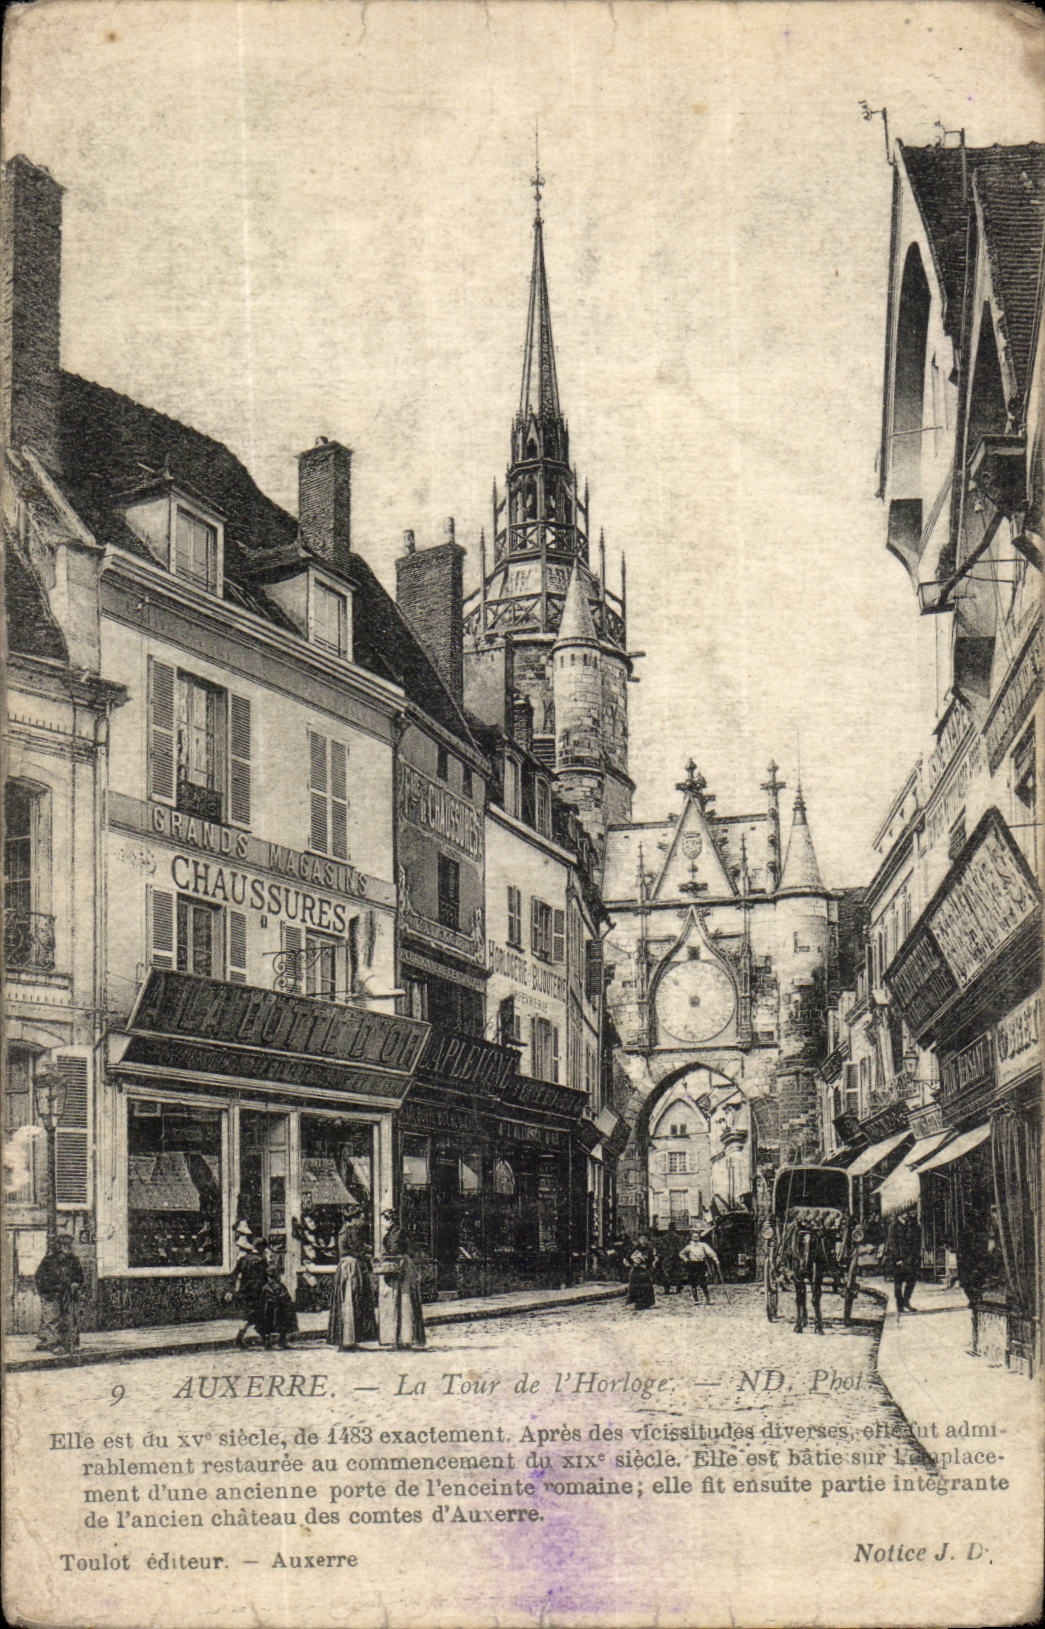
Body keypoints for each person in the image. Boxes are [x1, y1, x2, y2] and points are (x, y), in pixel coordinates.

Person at [375, 1210, 426, 1349]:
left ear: (390, 1220)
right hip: (399, 1265)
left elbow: (394, 1249)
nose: (383, 1224)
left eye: (384, 1220)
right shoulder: (394, 1231)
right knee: (399, 1302)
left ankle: (405, 1338)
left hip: (401, 1266)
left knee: (404, 1301)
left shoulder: (396, 1232)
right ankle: (400, 1337)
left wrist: (383, 1257)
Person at [328, 1210, 378, 1350]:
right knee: (354, 1300)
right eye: (361, 1218)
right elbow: (358, 1251)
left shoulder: (343, 1230)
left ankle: (346, 1340)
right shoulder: (352, 1230)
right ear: (354, 1219)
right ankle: (350, 1340)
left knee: (345, 1302)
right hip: (352, 1268)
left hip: (343, 1267)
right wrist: (369, 1259)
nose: (363, 1222)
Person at [34, 1234, 85, 1355]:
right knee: (53, 1319)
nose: (68, 1247)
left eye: (69, 1245)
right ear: (60, 1245)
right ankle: (54, 1344)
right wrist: (49, 1291)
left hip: (69, 1294)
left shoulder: (73, 1260)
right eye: (65, 1245)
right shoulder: (50, 1260)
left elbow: (80, 1276)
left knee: (70, 1319)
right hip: (52, 1294)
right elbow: (41, 1278)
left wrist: (76, 1283)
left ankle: (68, 1343)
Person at [225, 1235, 269, 1348]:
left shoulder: (243, 1259)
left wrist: (230, 1290)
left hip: (245, 1292)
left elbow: (234, 1275)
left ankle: (262, 1340)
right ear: (262, 1248)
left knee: (254, 1316)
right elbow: (264, 1278)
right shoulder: (261, 1261)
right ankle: (260, 1340)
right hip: (257, 1292)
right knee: (258, 1315)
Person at [884, 1208, 920, 1318]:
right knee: (898, 1282)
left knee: (911, 1280)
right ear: (899, 1214)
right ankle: (899, 1305)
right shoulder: (893, 1226)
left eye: (907, 1213)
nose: (907, 1215)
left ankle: (906, 1301)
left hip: (910, 1258)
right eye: (904, 1213)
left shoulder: (910, 1224)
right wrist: (897, 1258)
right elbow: (892, 1243)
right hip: (898, 1259)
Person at [679, 1229, 720, 1304]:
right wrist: (686, 1260)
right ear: (691, 1237)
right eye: (694, 1237)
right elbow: (681, 1253)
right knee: (693, 1282)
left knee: (703, 1281)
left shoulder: (703, 1245)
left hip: (701, 1264)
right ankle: (696, 1299)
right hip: (692, 1264)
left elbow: (710, 1252)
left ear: (699, 1237)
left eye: (697, 1237)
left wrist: (716, 1259)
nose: (695, 1238)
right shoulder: (689, 1246)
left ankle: (708, 1299)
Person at [624, 1235, 657, 1311]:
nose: (644, 1240)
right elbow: (627, 1258)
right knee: (637, 1287)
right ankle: (637, 1303)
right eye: (642, 1239)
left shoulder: (650, 1249)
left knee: (646, 1287)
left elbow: (653, 1259)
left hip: (645, 1270)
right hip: (636, 1271)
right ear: (639, 1240)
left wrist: (652, 1264)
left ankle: (647, 1302)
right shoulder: (634, 1248)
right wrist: (631, 1265)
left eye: (645, 1238)